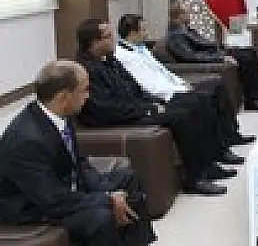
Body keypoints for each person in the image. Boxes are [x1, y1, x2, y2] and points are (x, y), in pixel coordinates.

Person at [0, 60, 156, 246]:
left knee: (128, 180)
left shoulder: (59, 115)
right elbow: (52, 200)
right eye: (85, 90)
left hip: (66, 188)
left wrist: (107, 191)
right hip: (34, 207)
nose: (88, 96)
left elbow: (78, 162)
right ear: (64, 97)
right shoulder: (27, 140)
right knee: (100, 217)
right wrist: (107, 199)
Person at [75, 19, 229, 196]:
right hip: (118, 118)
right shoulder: (86, 70)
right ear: (94, 42)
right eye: (108, 36)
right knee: (182, 116)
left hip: (135, 108)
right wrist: (147, 109)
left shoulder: (110, 59)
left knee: (196, 104)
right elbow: (105, 109)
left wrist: (153, 102)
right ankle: (194, 179)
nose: (114, 40)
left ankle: (207, 165)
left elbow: (135, 87)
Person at [116, 14, 255, 146]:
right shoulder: (124, 56)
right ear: (132, 33)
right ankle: (218, 146)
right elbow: (148, 85)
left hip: (174, 86)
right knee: (204, 98)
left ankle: (231, 134)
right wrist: (180, 89)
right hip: (165, 95)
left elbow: (163, 71)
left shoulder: (141, 48)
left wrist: (182, 83)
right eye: (143, 30)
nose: (147, 33)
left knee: (217, 85)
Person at [166, 6, 258, 111]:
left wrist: (224, 48)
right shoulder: (175, 35)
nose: (189, 15)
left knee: (250, 52)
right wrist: (220, 58)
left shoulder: (187, 30)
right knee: (245, 58)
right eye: (186, 13)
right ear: (178, 16)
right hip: (210, 58)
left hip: (216, 52)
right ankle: (252, 101)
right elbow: (190, 56)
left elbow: (205, 44)